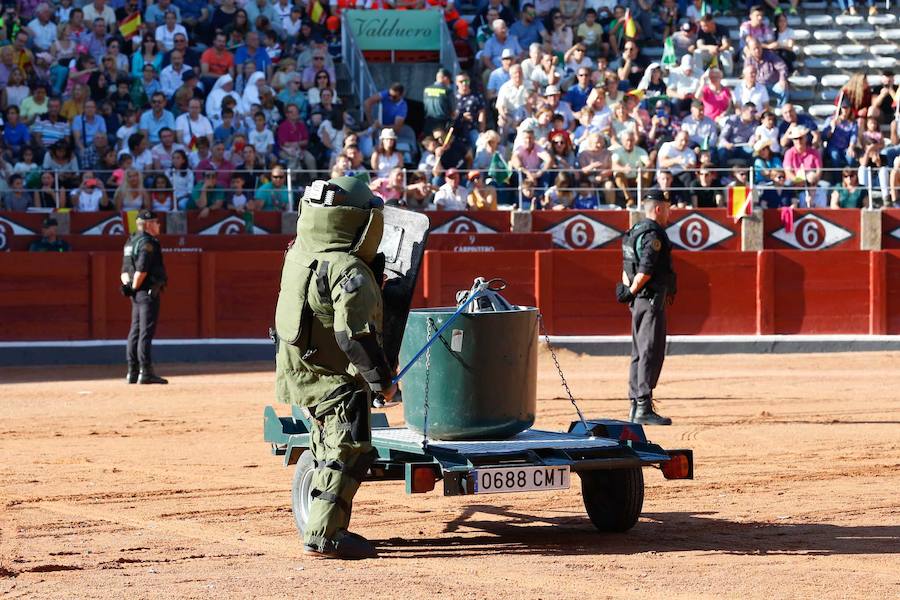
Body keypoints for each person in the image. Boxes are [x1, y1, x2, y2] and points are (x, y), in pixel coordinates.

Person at [275, 176, 397, 560]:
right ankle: (325, 534)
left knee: (327, 441)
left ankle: (320, 521)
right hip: (333, 376)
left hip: (299, 367)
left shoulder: (300, 251)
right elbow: (353, 337)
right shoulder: (349, 271)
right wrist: (382, 382)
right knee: (350, 449)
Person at [616, 189, 676, 426]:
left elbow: (626, 266)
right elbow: (646, 269)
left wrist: (628, 290)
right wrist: (633, 290)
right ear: (659, 208)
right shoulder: (653, 234)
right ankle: (642, 406)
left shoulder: (635, 231)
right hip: (650, 299)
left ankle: (635, 406)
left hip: (638, 300)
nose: (669, 213)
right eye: (668, 208)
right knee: (650, 350)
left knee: (639, 352)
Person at [121, 209, 168, 385]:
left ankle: (132, 372)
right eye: (156, 222)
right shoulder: (148, 243)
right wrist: (135, 286)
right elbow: (142, 269)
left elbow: (125, 270)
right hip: (147, 291)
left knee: (134, 331)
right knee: (145, 333)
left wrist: (130, 288)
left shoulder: (130, 241)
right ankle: (145, 372)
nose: (158, 225)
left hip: (135, 292)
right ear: (148, 224)